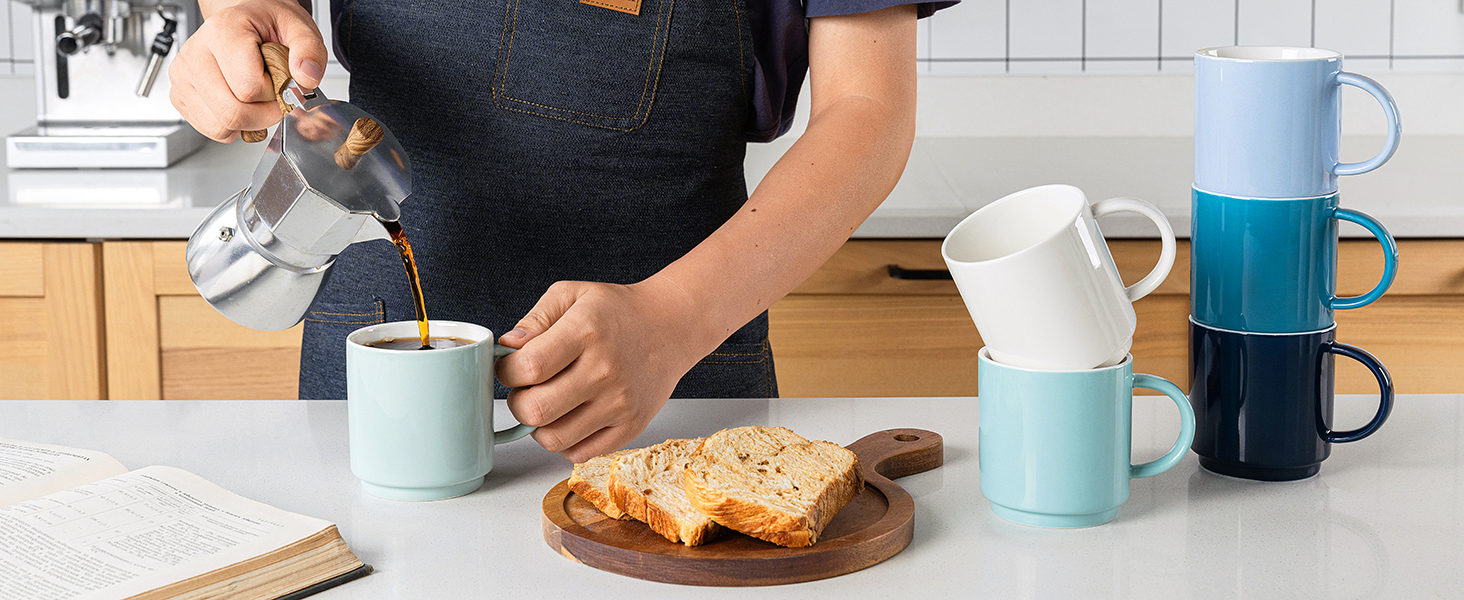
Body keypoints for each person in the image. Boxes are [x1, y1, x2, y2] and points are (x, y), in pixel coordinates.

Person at [170, 0, 954, 463]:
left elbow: (868, 112)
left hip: (679, 367)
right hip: (379, 358)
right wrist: (233, 19)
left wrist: (675, 320)